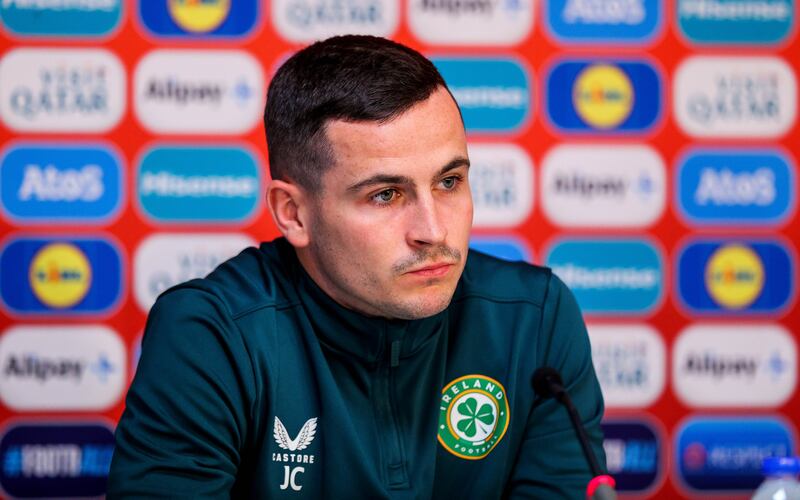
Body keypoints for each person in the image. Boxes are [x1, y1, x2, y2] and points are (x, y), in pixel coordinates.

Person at [108, 35, 606, 498]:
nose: (433, 231)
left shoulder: (534, 318)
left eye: (449, 182)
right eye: (386, 195)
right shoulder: (212, 335)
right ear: (293, 214)